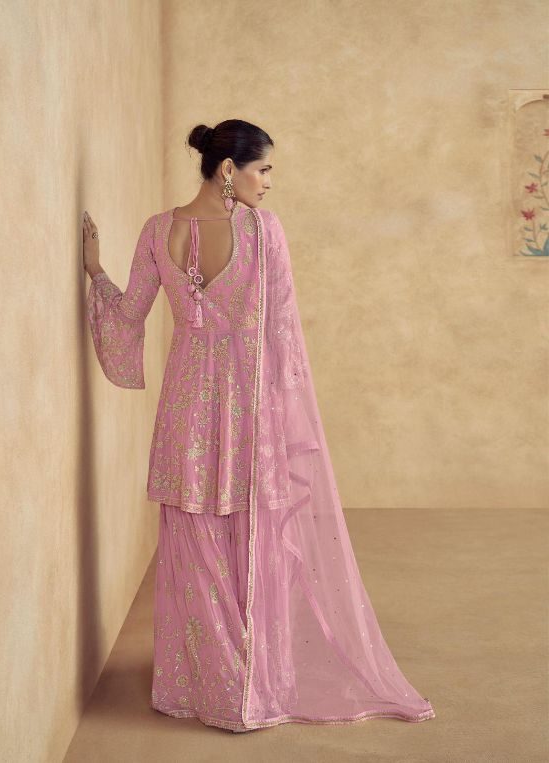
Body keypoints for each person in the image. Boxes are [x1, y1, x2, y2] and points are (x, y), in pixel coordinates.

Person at [82, 118, 436, 733]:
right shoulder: (264, 231)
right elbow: (283, 334)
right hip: (249, 410)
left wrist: (95, 271)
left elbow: (129, 315)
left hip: (185, 409)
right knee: (252, 542)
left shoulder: (157, 230)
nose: (269, 182)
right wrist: (291, 418)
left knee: (194, 541)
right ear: (229, 169)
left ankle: (206, 685)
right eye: (263, 168)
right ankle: (249, 684)